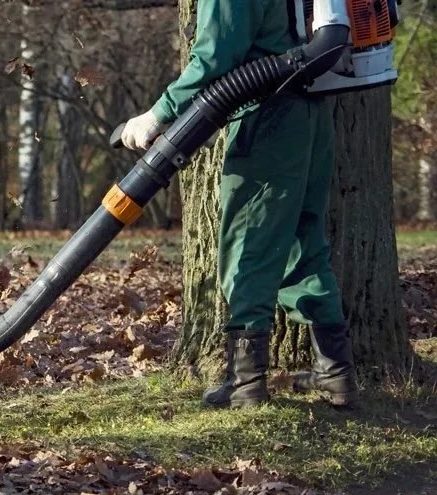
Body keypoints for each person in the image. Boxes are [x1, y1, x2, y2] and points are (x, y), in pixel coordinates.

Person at [119, 0, 357, 408]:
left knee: (249, 244)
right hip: (311, 115)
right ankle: (336, 374)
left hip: (269, 116)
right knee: (303, 244)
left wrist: (158, 115)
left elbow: (215, 56)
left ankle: (245, 383)